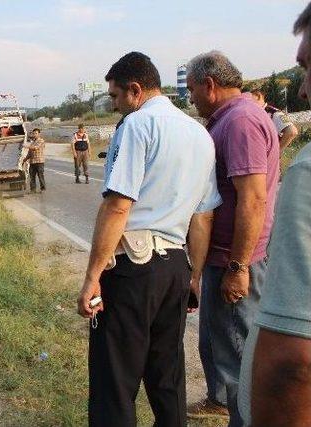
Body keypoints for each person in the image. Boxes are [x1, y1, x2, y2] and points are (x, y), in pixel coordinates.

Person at [76, 51, 221, 427]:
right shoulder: (200, 135)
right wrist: (194, 276)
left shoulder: (138, 125)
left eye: (115, 96)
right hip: (176, 265)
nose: (113, 104)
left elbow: (118, 206)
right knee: (167, 376)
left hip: (133, 267)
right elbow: (203, 216)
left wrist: (92, 277)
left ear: (135, 90)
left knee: (115, 378)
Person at [186, 51, 279, 426]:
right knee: (219, 345)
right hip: (223, 258)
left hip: (236, 260)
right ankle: (222, 403)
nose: (190, 98)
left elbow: (253, 198)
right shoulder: (229, 119)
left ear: (209, 84)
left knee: (239, 355)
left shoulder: (240, 121)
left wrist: (238, 267)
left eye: (192, 90)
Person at [238, 4, 311, 425]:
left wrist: (235, 264)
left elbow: (294, 362)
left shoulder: (307, 173)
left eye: (309, 66)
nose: (303, 89)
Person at [23, 128, 46, 192]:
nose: (34, 135)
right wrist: (24, 160)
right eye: (34, 133)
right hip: (32, 162)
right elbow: (30, 153)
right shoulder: (32, 142)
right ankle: (33, 189)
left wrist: (26, 146)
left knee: (40, 176)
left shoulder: (41, 141)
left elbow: (35, 148)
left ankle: (43, 188)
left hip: (39, 161)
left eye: (36, 133)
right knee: (32, 176)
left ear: (39, 134)